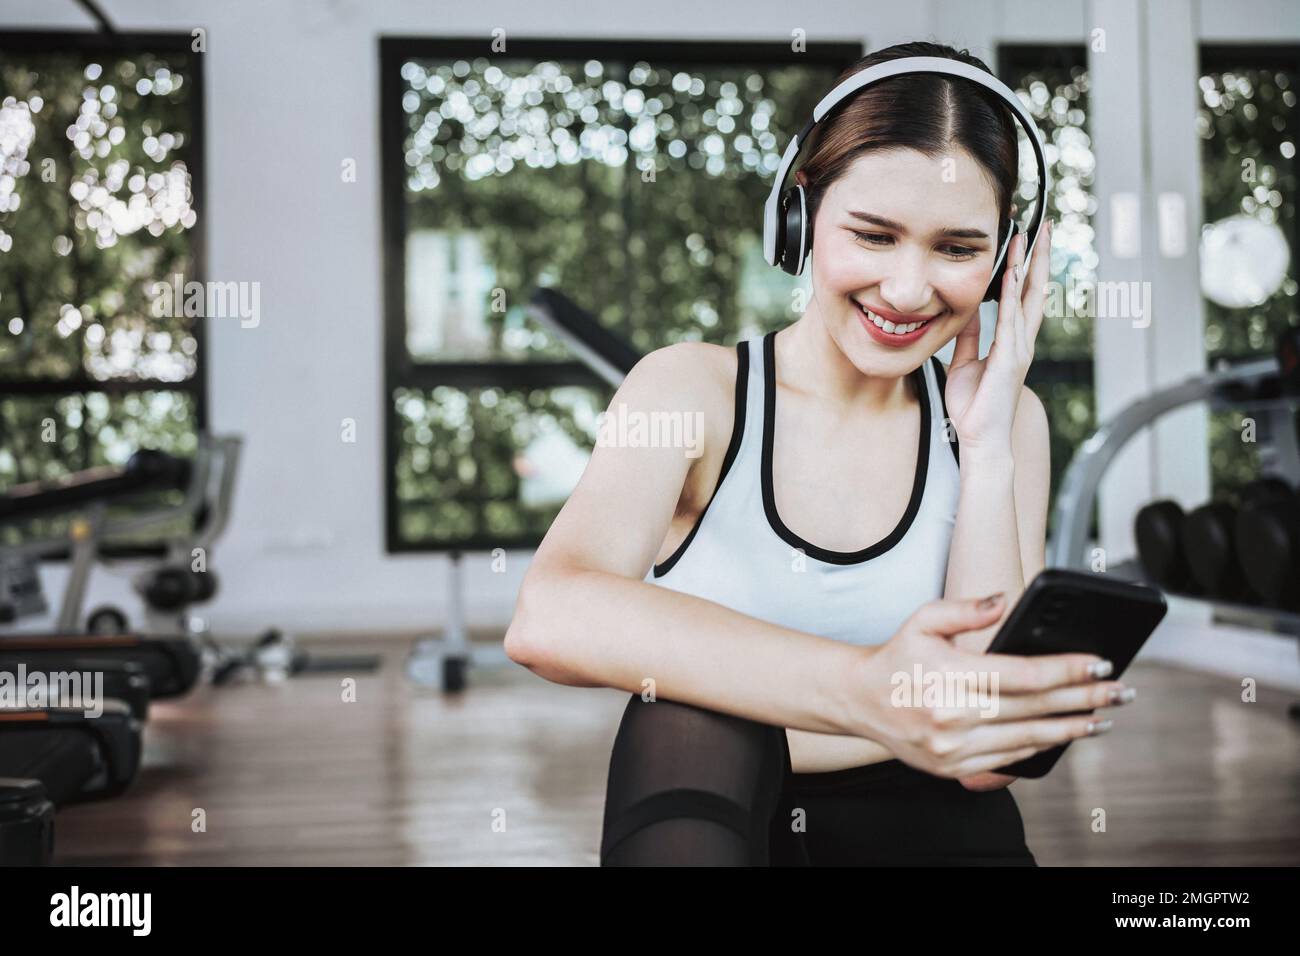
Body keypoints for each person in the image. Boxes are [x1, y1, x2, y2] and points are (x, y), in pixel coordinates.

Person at [504, 40, 1133, 866]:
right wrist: (868, 688)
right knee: (684, 716)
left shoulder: (1007, 420)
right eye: (872, 235)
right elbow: (548, 615)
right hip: (720, 805)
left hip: (928, 816)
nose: (908, 291)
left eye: (956, 249)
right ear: (796, 218)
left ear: (1006, 261)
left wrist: (983, 447)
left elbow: (981, 735)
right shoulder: (690, 392)